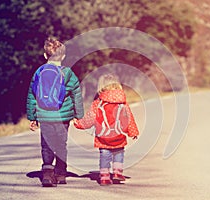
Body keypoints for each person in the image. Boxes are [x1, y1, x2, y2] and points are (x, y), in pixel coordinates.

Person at [26, 37, 84, 187]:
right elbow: (76, 94)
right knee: (61, 144)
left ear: (45, 55)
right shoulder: (68, 73)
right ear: (63, 56)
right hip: (62, 117)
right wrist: (79, 115)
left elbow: (32, 94)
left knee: (46, 145)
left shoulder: (39, 72)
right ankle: (60, 174)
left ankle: (47, 174)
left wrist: (32, 116)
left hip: (44, 116)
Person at [73, 74, 139, 186]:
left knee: (105, 154)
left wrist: (78, 123)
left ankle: (104, 176)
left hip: (103, 136)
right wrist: (133, 131)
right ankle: (117, 173)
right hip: (119, 135)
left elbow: (90, 119)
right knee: (119, 152)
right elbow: (129, 117)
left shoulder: (98, 103)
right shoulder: (122, 102)